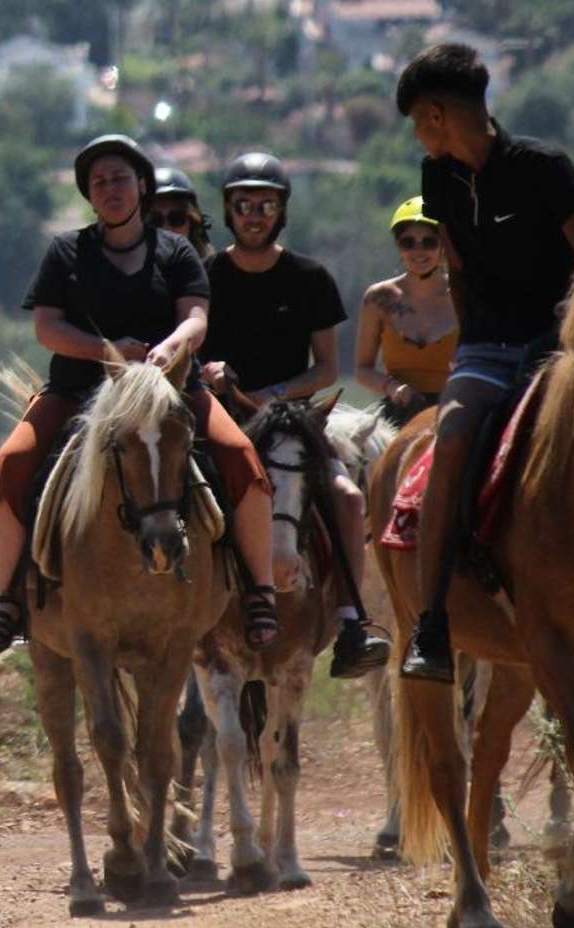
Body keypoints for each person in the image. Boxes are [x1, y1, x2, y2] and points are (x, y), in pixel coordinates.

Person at [0, 135, 279, 654]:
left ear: (141, 186)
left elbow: (196, 319)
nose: (110, 189)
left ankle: (259, 589)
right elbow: (47, 328)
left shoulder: (177, 252)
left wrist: (168, 349)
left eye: (120, 179)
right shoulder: (66, 252)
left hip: (166, 396)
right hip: (77, 394)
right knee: (11, 463)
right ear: (89, 196)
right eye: (99, 183)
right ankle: (7, 597)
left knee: (244, 461)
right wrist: (105, 351)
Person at [395, 43, 574, 683]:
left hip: (557, 348)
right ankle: (430, 624)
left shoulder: (544, 167)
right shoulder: (439, 178)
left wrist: (573, 349)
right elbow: (456, 267)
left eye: (416, 124)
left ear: (434, 114)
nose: (418, 137)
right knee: (453, 435)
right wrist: (469, 350)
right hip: (487, 348)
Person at [195, 151, 389, 679]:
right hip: (223, 421)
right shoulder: (205, 277)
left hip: (291, 425)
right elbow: (188, 347)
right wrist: (209, 373)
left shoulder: (310, 278)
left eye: (265, 204)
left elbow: (327, 368)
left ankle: (352, 620)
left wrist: (275, 395)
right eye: (243, 204)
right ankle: (173, 613)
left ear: (281, 211)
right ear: (229, 211)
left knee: (348, 497)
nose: (254, 214)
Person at [354, 197, 457, 428]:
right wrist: (393, 388)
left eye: (428, 242)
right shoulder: (378, 298)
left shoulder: (465, 296)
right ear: (398, 247)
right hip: (398, 411)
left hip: (452, 409)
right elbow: (362, 370)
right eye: (408, 242)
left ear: (443, 246)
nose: (418, 250)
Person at [150, 167, 216, 259]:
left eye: (176, 219)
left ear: (193, 224)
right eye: (155, 221)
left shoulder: (213, 270)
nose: (166, 229)